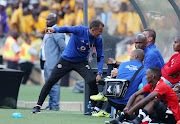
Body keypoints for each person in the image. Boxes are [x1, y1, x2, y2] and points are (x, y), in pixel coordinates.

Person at [31, 19, 104, 113]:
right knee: (50, 81)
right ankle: (38, 105)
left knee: (92, 80)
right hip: (66, 60)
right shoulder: (80, 29)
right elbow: (67, 29)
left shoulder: (98, 39)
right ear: (92, 30)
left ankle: (94, 108)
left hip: (81, 62)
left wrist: (100, 72)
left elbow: (100, 56)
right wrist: (55, 30)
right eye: (100, 31)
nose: (101, 34)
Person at [106, 67, 180, 124]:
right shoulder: (150, 85)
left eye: (147, 75)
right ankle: (121, 118)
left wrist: (132, 109)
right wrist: (127, 107)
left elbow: (148, 99)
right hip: (160, 114)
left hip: (172, 116)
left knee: (153, 100)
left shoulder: (162, 85)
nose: (145, 77)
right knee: (140, 97)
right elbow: (134, 95)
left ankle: (137, 120)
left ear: (153, 76)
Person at [92, 49, 147, 118]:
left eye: (131, 56)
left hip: (112, 100)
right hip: (127, 103)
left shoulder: (123, 65)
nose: (130, 58)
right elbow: (146, 88)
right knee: (141, 94)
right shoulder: (144, 70)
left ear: (135, 56)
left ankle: (103, 95)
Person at [39, 13, 66, 111]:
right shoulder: (49, 31)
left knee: (54, 84)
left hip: (53, 62)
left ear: (55, 20)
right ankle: (51, 104)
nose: (47, 21)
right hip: (47, 62)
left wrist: (62, 62)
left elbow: (63, 47)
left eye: (49, 20)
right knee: (48, 84)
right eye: (46, 19)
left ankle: (55, 105)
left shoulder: (57, 31)